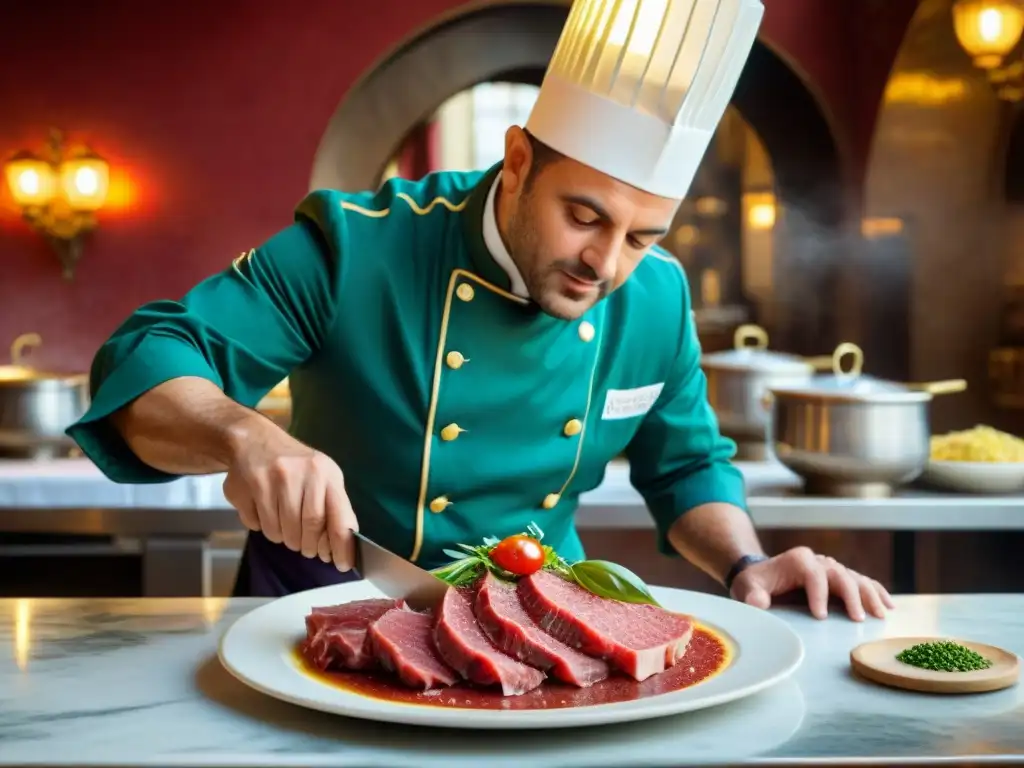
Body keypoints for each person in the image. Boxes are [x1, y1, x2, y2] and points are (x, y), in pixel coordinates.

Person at [66, 0, 894, 621]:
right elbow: (151, 355)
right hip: (319, 607)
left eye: (642, 235)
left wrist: (745, 560)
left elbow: (683, 467)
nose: (606, 265)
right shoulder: (358, 247)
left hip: (542, 619)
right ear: (520, 160)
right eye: (584, 216)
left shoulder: (654, 293)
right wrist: (243, 435)